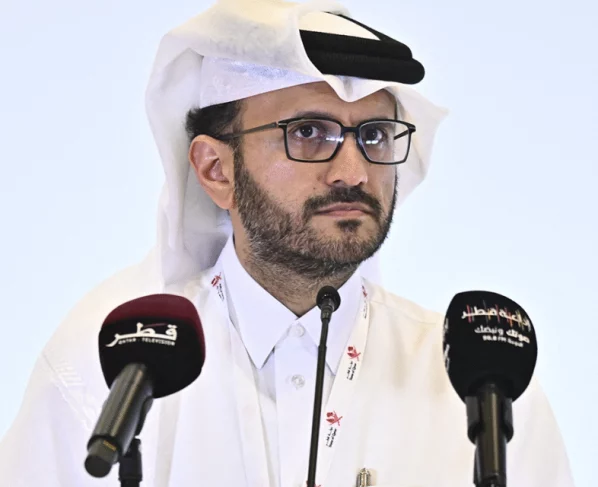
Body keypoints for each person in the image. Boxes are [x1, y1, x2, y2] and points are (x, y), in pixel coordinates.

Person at [0, 0, 574, 486]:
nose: (353, 171)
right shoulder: (115, 371)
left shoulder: (482, 388)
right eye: (308, 132)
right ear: (216, 169)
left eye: (374, 135)